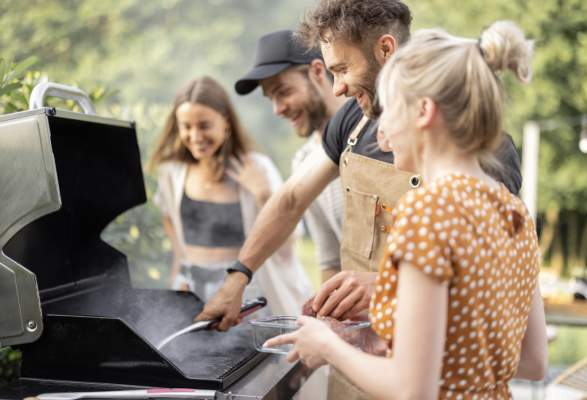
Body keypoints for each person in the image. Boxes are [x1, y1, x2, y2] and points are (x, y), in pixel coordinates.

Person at [266, 20, 548, 399]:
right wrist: (372, 344)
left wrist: (327, 346)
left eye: (389, 111)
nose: (381, 133)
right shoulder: (514, 213)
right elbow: (532, 362)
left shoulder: (426, 212)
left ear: (423, 112)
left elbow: (412, 390)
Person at [149, 76, 311, 316]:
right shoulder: (172, 174)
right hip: (190, 291)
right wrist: (177, 279)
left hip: (245, 292)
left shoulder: (258, 167)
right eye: (186, 126)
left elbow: (288, 245)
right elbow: (174, 236)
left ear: (225, 122)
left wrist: (263, 194)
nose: (195, 136)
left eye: (204, 125)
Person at [235, 29, 346, 283]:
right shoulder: (302, 161)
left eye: (283, 92)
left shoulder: (374, 133)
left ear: (318, 72)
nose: (277, 109)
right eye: (271, 98)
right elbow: (331, 260)